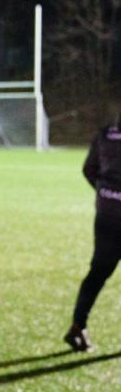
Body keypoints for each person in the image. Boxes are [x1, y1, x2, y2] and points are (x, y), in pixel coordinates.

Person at [65, 116, 121, 351]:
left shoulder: (106, 134)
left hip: (107, 214)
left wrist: (105, 192)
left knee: (98, 271)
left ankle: (78, 326)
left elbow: (89, 169)